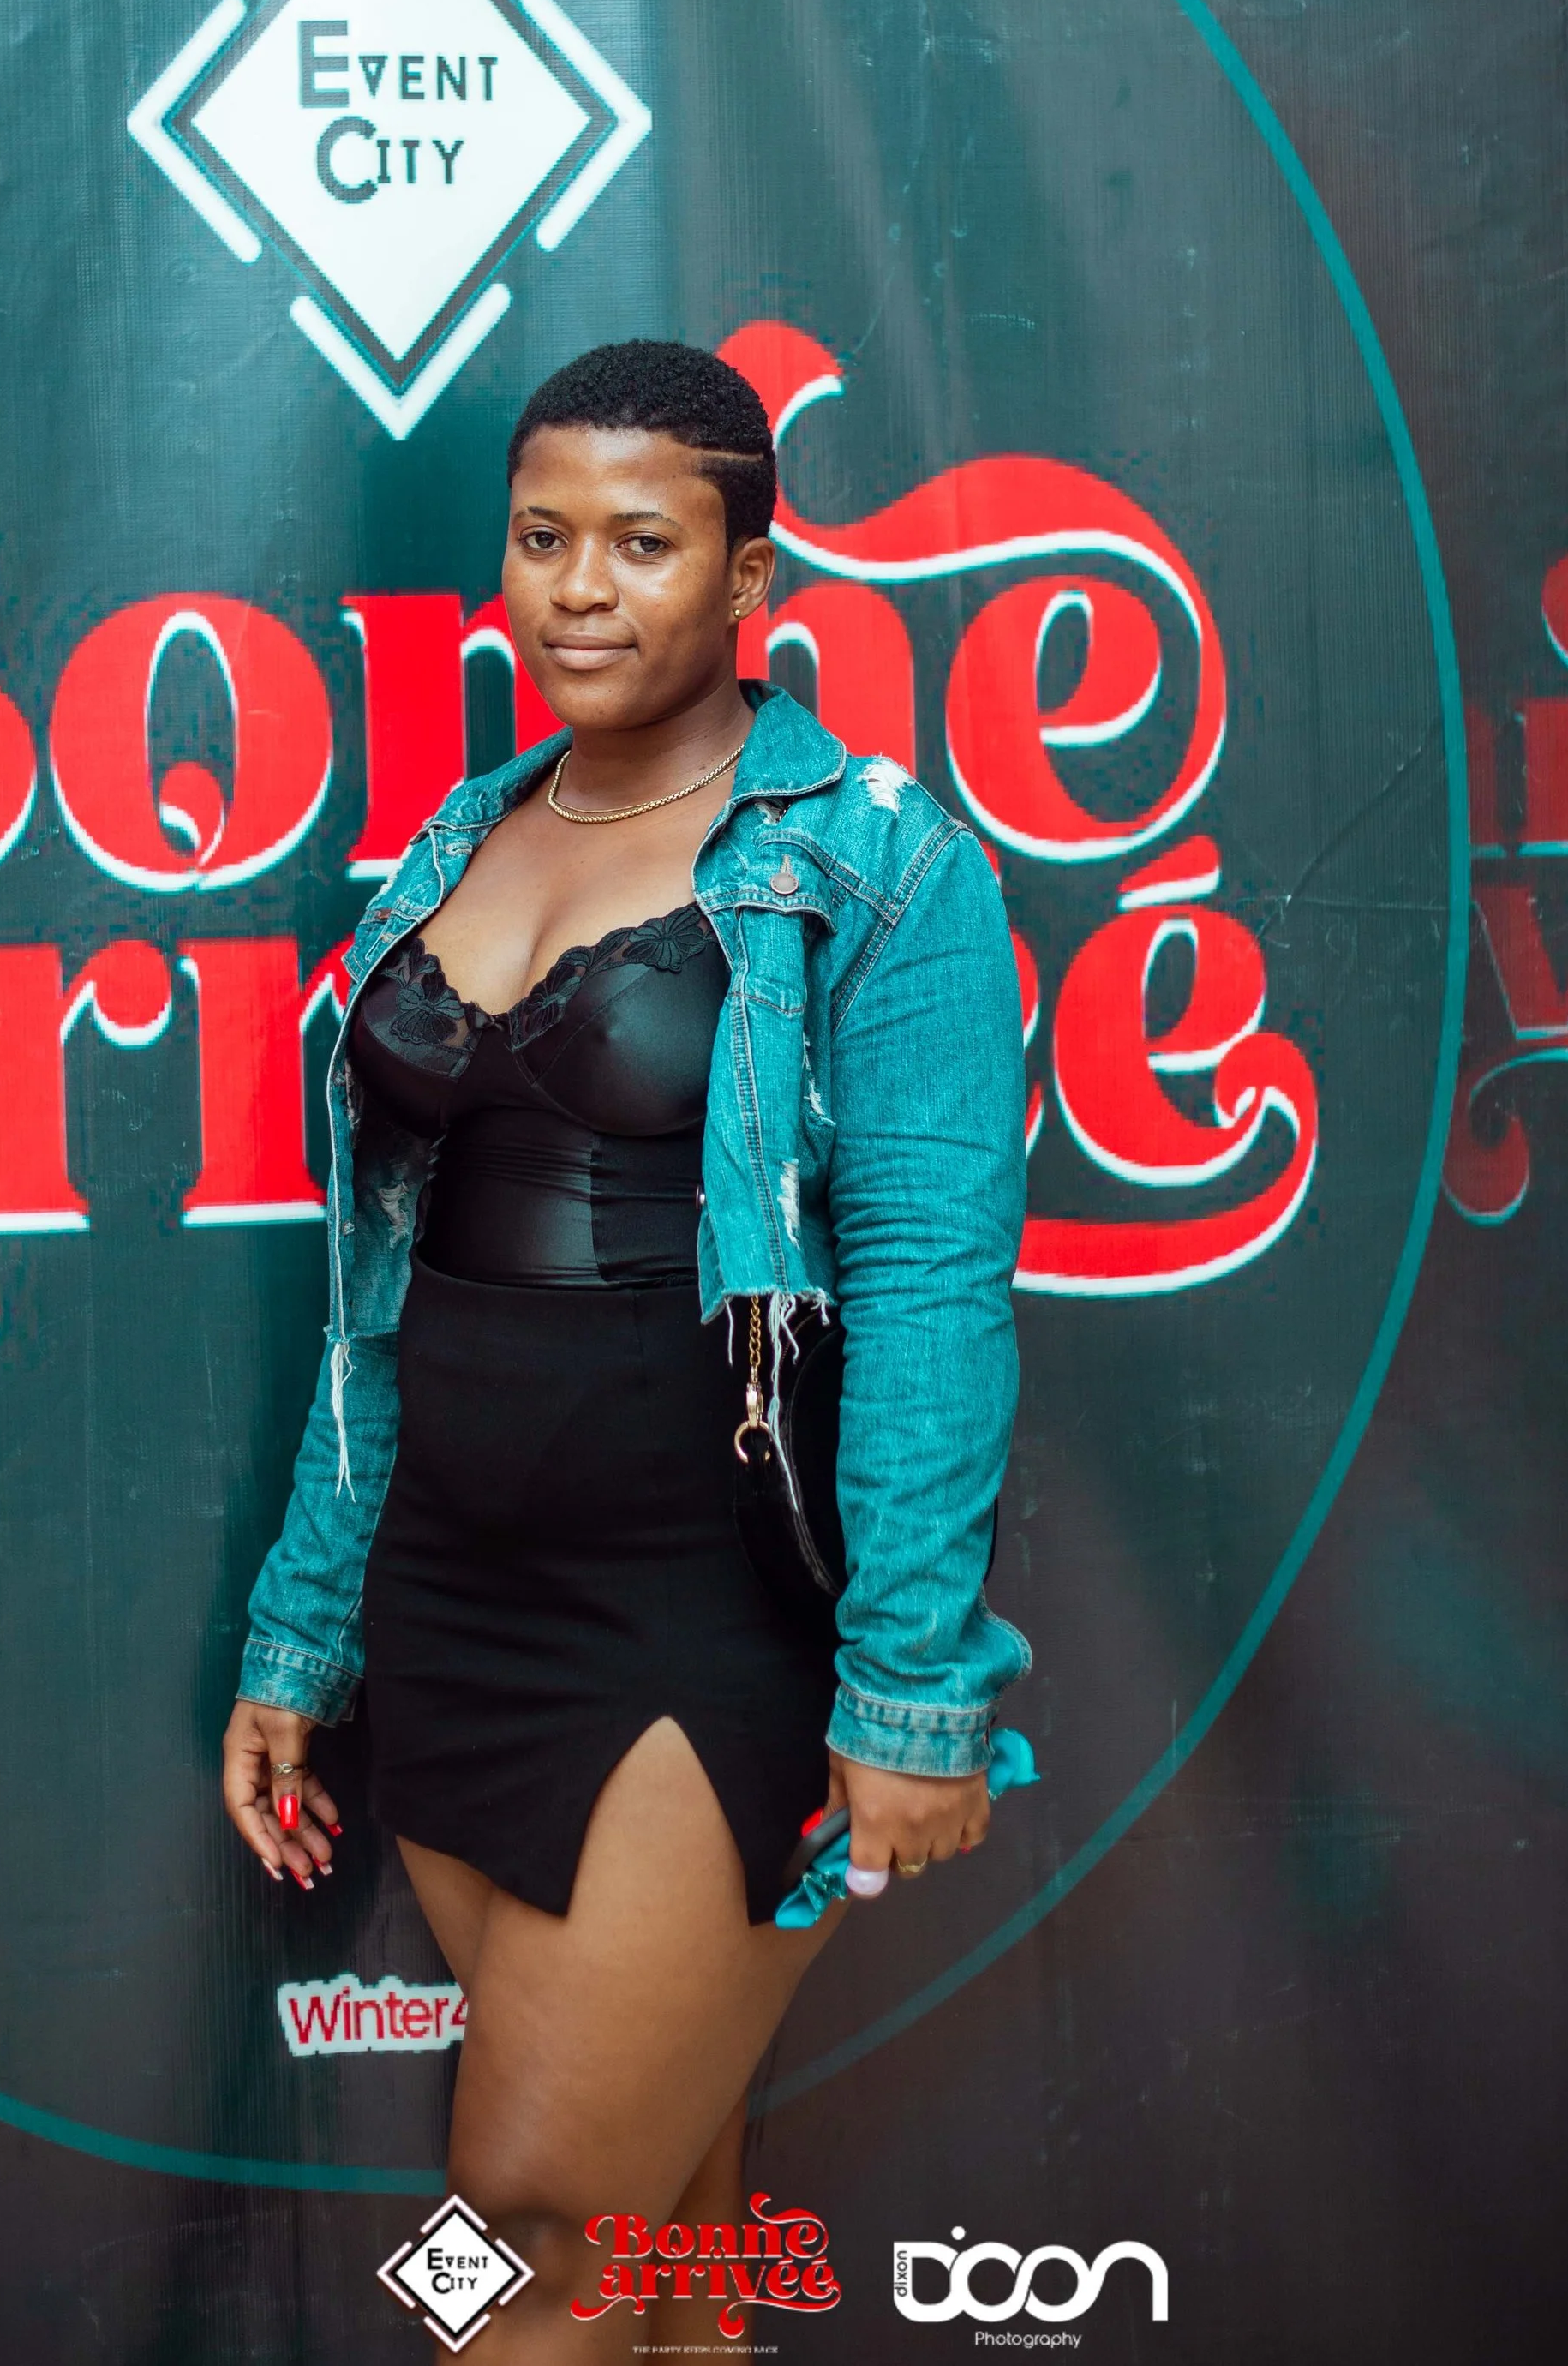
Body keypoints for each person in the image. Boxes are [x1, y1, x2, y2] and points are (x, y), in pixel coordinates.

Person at [221, 340, 1028, 2357]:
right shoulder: (448, 849)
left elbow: (934, 1286)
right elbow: (373, 1306)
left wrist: (909, 1689)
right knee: (665, 2237)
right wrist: (303, 1634)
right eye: (542, 537)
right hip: (454, 1603)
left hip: (702, 1626)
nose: (581, 587)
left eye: (644, 543)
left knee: (512, 2235)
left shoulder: (876, 865)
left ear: (752, 577)